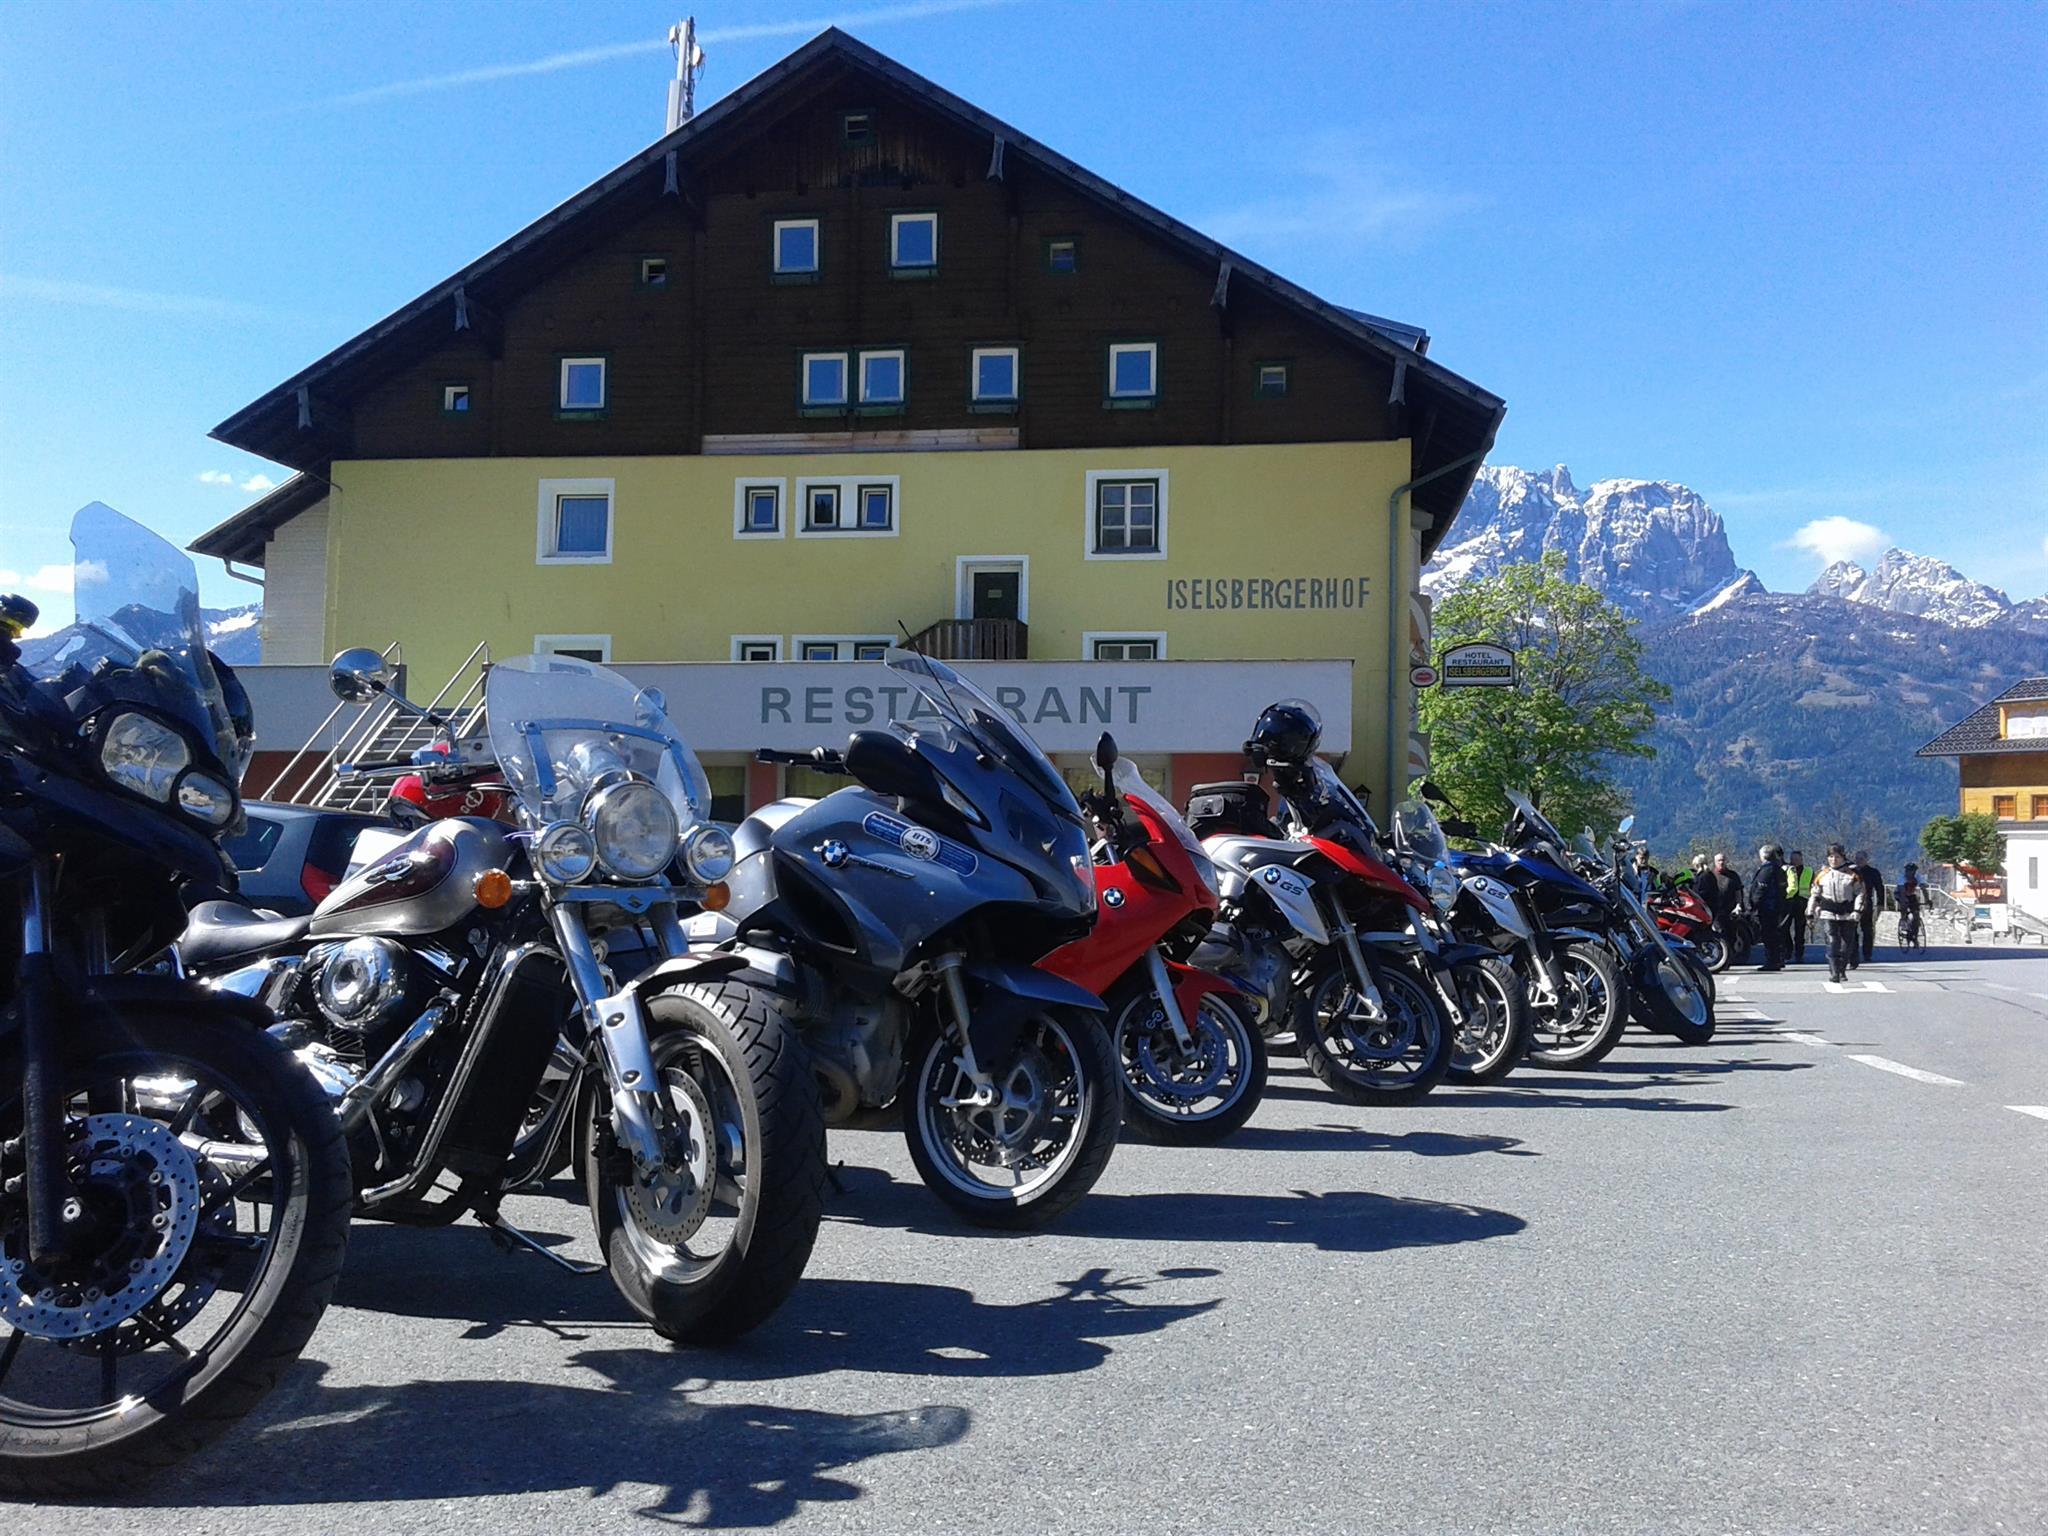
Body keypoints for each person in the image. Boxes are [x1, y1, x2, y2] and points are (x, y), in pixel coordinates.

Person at [1808, 845, 1869, 983]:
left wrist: (1857, 910)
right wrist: (1810, 912)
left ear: (1843, 858)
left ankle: (1842, 969)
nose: (1834, 860)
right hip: (1828, 912)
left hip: (1847, 913)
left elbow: (1860, 893)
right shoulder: (1822, 874)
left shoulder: (1852, 874)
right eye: (1831, 857)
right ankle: (1834, 971)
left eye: (1837, 857)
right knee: (1832, 941)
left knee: (1846, 944)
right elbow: (1815, 894)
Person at [1749, 844, 1789, 970]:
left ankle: (1772, 961)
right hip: (1777, 906)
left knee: (1768, 935)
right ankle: (1777, 959)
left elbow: (1760, 889)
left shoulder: (1767, 870)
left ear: (1763, 855)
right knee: (1775, 934)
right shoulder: (1779, 870)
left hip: (1767, 908)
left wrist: (1754, 905)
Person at [1700, 852, 1746, 960]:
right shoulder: (1710, 876)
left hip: (1730, 911)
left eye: (1723, 860)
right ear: (1715, 862)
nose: (1721, 862)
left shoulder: (1733, 876)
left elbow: (1738, 892)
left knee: (1732, 935)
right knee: (1720, 935)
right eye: (1719, 860)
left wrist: (1738, 905)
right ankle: (1722, 959)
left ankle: (1732, 958)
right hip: (1715, 912)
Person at [1853, 850, 1886, 964]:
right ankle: (1853, 953)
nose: (1858, 861)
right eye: (1857, 859)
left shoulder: (1873, 872)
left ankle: (1867, 954)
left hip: (1867, 903)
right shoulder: (1851, 871)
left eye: (1861, 859)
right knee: (1852, 929)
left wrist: (1880, 904)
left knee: (1867, 929)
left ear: (1866, 860)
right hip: (1852, 903)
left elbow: (1880, 888)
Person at [1786, 850, 1814, 963]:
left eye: (1796, 859)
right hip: (1788, 901)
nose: (1794, 861)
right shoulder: (1787, 870)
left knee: (1800, 930)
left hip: (1802, 902)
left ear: (1801, 859)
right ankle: (1788, 950)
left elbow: (1813, 887)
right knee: (1785, 928)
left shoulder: (1809, 871)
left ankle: (1799, 953)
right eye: (1792, 859)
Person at [1895, 862, 1924, 949]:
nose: (1911, 873)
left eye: (1913, 871)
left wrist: (1928, 900)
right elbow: (1902, 892)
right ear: (1906, 871)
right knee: (1904, 905)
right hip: (1900, 894)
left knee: (1916, 915)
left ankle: (1914, 935)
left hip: (1911, 895)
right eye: (1909, 871)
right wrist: (1904, 902)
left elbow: (1923, 888)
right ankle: (1904, 920)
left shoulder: (1918, 877)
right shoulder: (1901, 878)